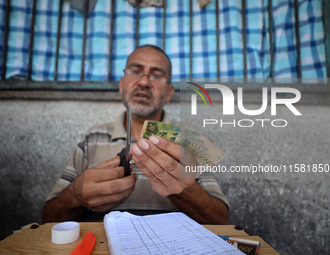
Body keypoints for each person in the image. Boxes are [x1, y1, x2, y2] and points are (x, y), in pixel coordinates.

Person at [42, 44, 229, 224]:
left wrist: (181, 188)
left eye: (156, 75)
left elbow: (221, 219)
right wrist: (76, 195)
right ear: (122, 85)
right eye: (135, 71)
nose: (144, 82)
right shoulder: (93, 138)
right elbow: (48, 218)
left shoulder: (188, 137)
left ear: (169, 92)